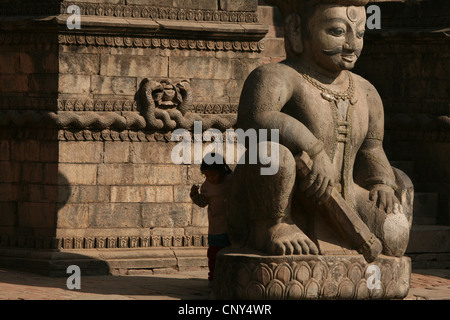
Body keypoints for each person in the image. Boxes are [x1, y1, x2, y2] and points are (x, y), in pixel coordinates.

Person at [226, 0, 413, 260]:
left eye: (360, 33)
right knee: (271, 155)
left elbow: (372, 147)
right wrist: (313, 149)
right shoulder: (277, 76)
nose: (351, 44)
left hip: (344, 196)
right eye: (337, 31)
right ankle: (272, 226)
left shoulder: (366, 90)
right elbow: (255, 119)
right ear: (295, 30)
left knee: (395, 234)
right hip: (288, 195)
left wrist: (381, 182)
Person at [190, 153, 232, 287]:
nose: (210, 178)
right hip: (215, 227)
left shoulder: (232, 181)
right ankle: (213, 278)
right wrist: (194, 195)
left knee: (230, 254)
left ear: (222, 170)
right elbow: (203, 203)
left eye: (213, 175)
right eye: (207, 175)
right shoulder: (206, 186)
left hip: (232, 226)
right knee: (213, 255)